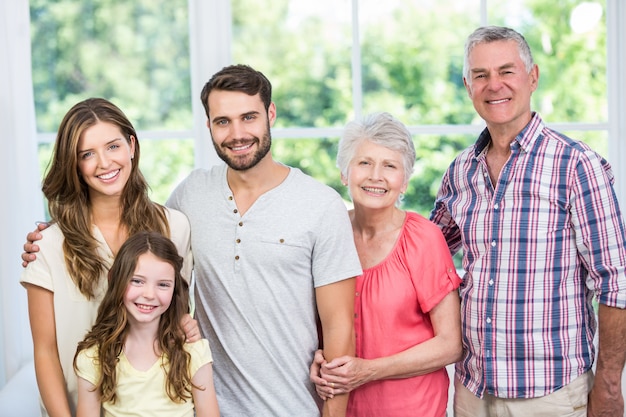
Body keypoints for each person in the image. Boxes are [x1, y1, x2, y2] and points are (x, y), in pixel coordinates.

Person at [23, 66, 362, 416]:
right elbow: (46, 348)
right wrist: (50, 234)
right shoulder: (189, 199)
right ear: (209, 126)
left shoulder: (317, 205)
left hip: (266, 406)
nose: (237, 133)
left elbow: (339, 328)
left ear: (270, 113)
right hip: (144, 405)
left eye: (249, 117)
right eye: (223, 121)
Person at [429, 26, 626, 416]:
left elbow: (616, 281)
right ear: (468, 86)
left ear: (532, 77)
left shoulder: (576, 164)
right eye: (480, 75)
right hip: (471, 389)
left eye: (507, 71)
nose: (494, 85)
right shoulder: (460, 171)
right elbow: (423, 251)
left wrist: (607, 385)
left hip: (549, 394)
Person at [20, 98, 197, 417]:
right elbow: (45, 351)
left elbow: (176, 319)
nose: (104, 163)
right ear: (73, 164)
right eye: (87, 154)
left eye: (112, 146)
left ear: (131, 145)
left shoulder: (175, 226)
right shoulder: (47, 244)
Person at [308, 112, 463, 416]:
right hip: (340, 408)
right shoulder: (325, 235)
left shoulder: (424, 239)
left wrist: (368, 370)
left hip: (414, 408)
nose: (375, 176)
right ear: (344, 173)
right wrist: (316, 357)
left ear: (404, 181)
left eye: (389, 166)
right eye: (364, 163)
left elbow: (450, 344)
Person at [73, 231, 219, 417]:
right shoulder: (93, 356)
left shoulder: (193, 351)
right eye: (137, 281)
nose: (149, 294)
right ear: (117, 280)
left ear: (175, 289)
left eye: (163, 284)